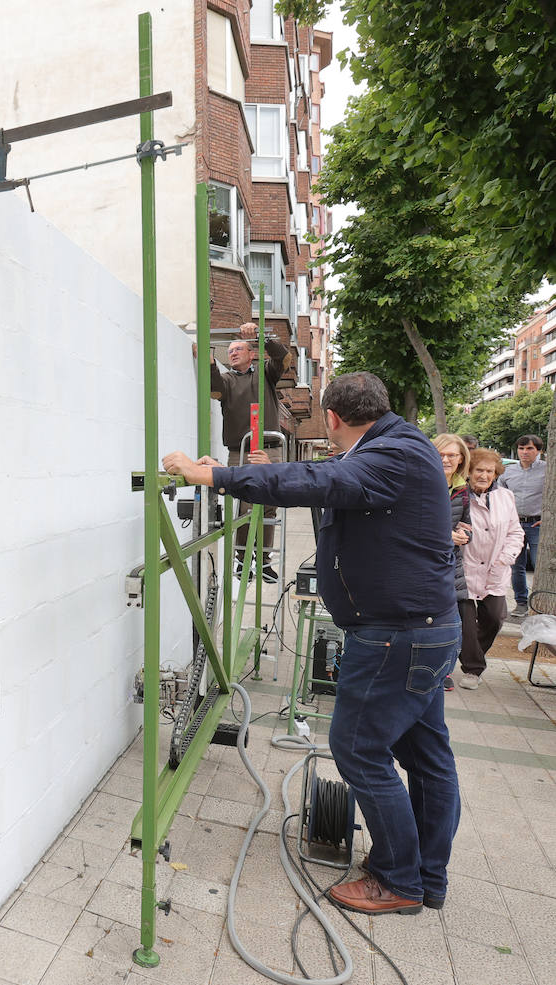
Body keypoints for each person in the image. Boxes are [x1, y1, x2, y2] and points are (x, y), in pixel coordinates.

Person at [162, 371, 460, 916]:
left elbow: (321, 484)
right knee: (425, 755)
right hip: (420, 632)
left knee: (359, 750)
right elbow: (324, 474)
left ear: (333, 419)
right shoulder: (397, 446)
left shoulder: (392, 455)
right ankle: (425, 877)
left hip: (398, 637)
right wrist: (246, 474)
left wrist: (215, 477)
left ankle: (399, 880)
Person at [210, 321, 291, 582]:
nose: (232, 353)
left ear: (251, 353)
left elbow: (282, 357)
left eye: (238, 349)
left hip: (269, 450)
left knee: (268, 507)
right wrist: (210, 362)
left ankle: (264, 562)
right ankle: (242, 559)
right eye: (230, 350)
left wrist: (263, 336)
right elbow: (214, 390)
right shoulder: (227, 380)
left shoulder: (265, 373)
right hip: (241, 451)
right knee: (245, 507)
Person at [459, 449, 524, 688]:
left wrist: (506, 558)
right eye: (479, 470)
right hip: (464, 569)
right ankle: (473, 669)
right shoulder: (459, 496)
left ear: (495, 473)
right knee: (465, 622)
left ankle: (469, 653)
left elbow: (515, 532)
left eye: (489, 471)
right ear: (469, 472)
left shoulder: (506, 496)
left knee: (496, 618)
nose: (484, 475)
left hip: (496, 569)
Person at [432, 434, 472, 691]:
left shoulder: (463, 489)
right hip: (422, 564)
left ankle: (444, 671)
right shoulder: (421, 482)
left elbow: (468, 525)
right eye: (441, 454)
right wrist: (446, 537)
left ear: (461, 459)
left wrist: (466, 535)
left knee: (453, 623)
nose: (446, 459)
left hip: (451, 565)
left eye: (452, 455)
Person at [499, 434, 544, 617]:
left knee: (540, 565)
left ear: (539, 451)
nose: (524, 452)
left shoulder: (548, 470)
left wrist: (549, 518)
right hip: (514, 524)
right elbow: (499, 497)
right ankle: (521, 603)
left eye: (530, 448)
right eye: (521, 448)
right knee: (516, 566)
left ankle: (541, 605)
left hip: (538, 524)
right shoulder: (507, 471)